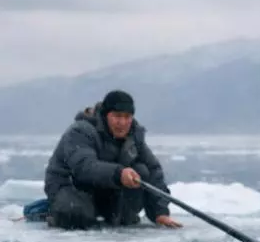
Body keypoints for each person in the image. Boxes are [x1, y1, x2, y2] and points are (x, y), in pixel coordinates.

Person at [42, 89, 182, 230]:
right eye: (117, 116)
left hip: (106, 189)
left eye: (127, 117)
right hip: (70, 185)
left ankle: (114, 214)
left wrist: (160, 212)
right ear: (106, 115)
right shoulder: (81, 131)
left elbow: (153, 170)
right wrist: (118, 173)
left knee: (141, 172)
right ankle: (50, 211)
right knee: (77, 213)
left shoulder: (134, 137)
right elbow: (84, 167)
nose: (122, 122)